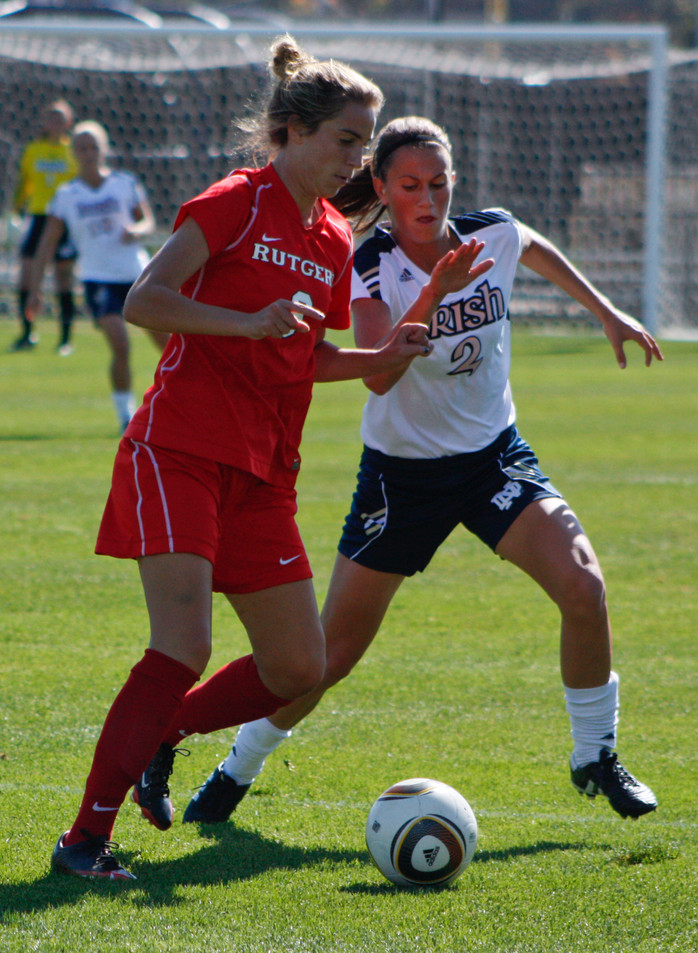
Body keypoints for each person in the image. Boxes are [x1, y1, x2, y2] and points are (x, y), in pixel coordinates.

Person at [137, 115, 662, 832]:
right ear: (381, 187)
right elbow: (378, 375)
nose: (428, 197)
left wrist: (606, 311)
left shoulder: (492, 234)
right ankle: (236, 767)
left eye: (440, 183)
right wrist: (437, 292)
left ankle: (596, 755)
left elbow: (534, 247)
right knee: (330, 656)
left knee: (584, 586)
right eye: (410, 184)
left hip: (492, 459)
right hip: (402, 477)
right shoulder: (371, 261)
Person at [49, 44, 449, 881]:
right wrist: (247, 321)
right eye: (346, 141)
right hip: (182, 451)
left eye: (364, 144)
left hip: (265, 474)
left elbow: (304, 357)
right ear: (291, 131)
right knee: (181, 645)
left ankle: (163, 733)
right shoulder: (235, 203)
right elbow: (145, 298)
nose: (357, 160)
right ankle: (85, 840)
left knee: (301, 665)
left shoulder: (335, 236)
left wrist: (388, 356)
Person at [27, 121, 169, 433]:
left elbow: (147, 221)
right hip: (97, 279)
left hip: (136, 275)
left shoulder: (124, 182)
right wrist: (35, 290)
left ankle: (179, 404)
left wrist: (138, 231)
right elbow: (46, 245)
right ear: (73, 153)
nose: (89, 153)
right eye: (82, 147)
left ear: (104, 149)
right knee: (120, 344)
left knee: (170, 345)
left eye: (94, 146)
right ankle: (125, 416)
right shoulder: (67, 195)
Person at [11, 99, 77, 354]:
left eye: (61, 118)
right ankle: (27, 333)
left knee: (64, 277)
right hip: (39, 216)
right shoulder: (33, 150)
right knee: (26, 275)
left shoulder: (73, 150)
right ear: (45, 122)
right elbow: (25, 182)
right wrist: (16, 208)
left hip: (65, 221)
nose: (56, 123)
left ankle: (65, 339)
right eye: (52, 117)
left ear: (69, 123)